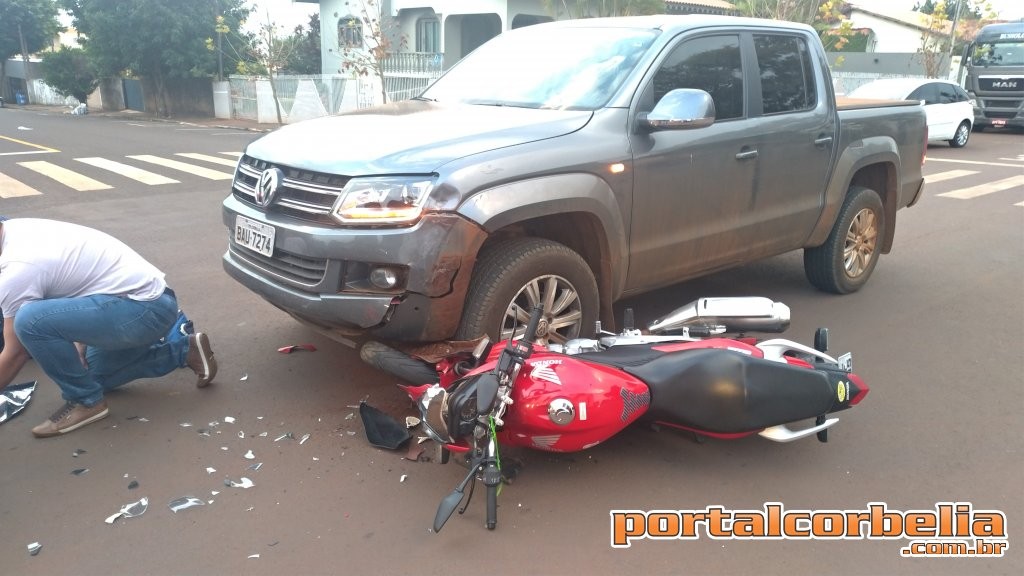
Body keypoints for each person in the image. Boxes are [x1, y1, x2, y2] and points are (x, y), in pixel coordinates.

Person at [0, 217, 217, 437]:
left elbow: (15, 352)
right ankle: (183, 351)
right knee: (92, 377)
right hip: (145, 303)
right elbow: (78, 284)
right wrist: (79, 344)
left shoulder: (16, 270)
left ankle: (86, 403)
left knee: (29, 321)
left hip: (143, 310)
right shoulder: (17, 228)